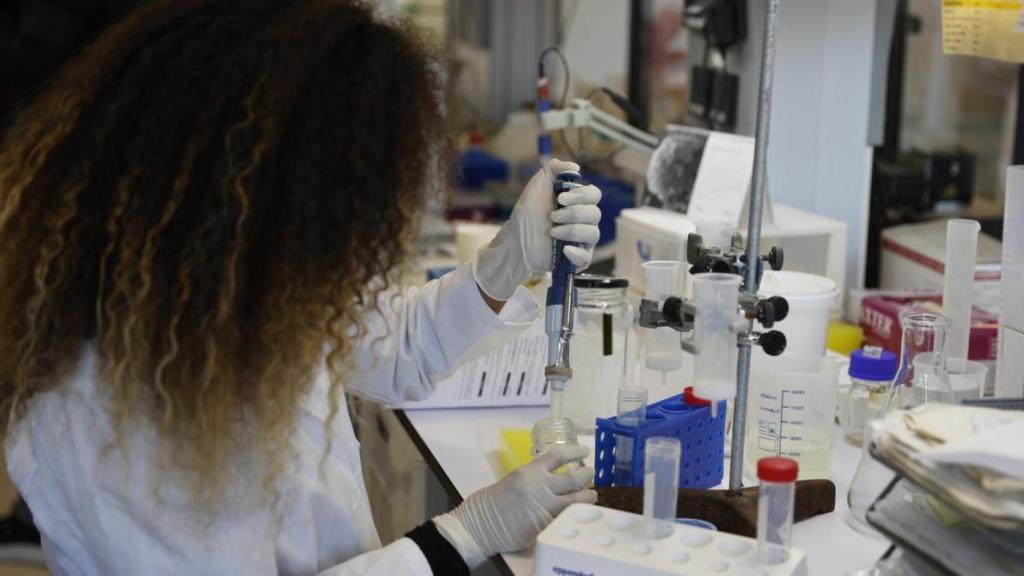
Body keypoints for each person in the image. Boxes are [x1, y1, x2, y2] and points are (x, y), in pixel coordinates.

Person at [0, 0, 601, 574]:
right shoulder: (114, 398)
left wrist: (506, 263)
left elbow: (396, 349)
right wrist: (467, 535)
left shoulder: (245, 277)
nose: (361, 234)